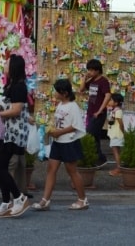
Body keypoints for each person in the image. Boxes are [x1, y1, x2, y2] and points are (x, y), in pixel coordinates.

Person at [31, 78, 88, 211]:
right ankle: (45, 200)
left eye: (57, 91)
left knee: (72, 171)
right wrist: (51, 130)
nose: (55, 94)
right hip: (58, 142)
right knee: (51, 169)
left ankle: (82, 199)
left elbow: (76, 125)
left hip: (69, 142)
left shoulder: (73, 106)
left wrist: (59, 132)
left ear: (65, 93)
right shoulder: (60, 105)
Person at [0, 54, 31, 218]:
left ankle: (19, 198)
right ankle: (6, 202)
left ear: (14, 67)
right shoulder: (11, 85)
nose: (4, 65)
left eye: (7, 63)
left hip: (12, 133)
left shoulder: (19, 86)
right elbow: (6, 107)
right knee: (0, 166)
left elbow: (16, 110)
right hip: (2, 131)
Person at [79, 58, 110, 168]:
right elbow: (81, 90)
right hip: (91, 112)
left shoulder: (103, 81)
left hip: (99, 113)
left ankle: (99, 158)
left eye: (92, 70)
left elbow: (107, 95)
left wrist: (100, 110)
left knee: (90, 134)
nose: (90, 72)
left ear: (98, 70)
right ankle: (99, 160)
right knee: (95, 136)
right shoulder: (92, 81)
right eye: (89, 70)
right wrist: (84, 78)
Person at [106, 93, 125, 177]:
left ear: (116, 103)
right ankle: (119, 167)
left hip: (117, 134)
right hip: (114, 133)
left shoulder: (118, 111)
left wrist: (123, 132)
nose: (109, 101)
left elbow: (121, 123)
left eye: (111, 100)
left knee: (115, 151)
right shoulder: (114, 110)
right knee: (117, 151)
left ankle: (119, 168)